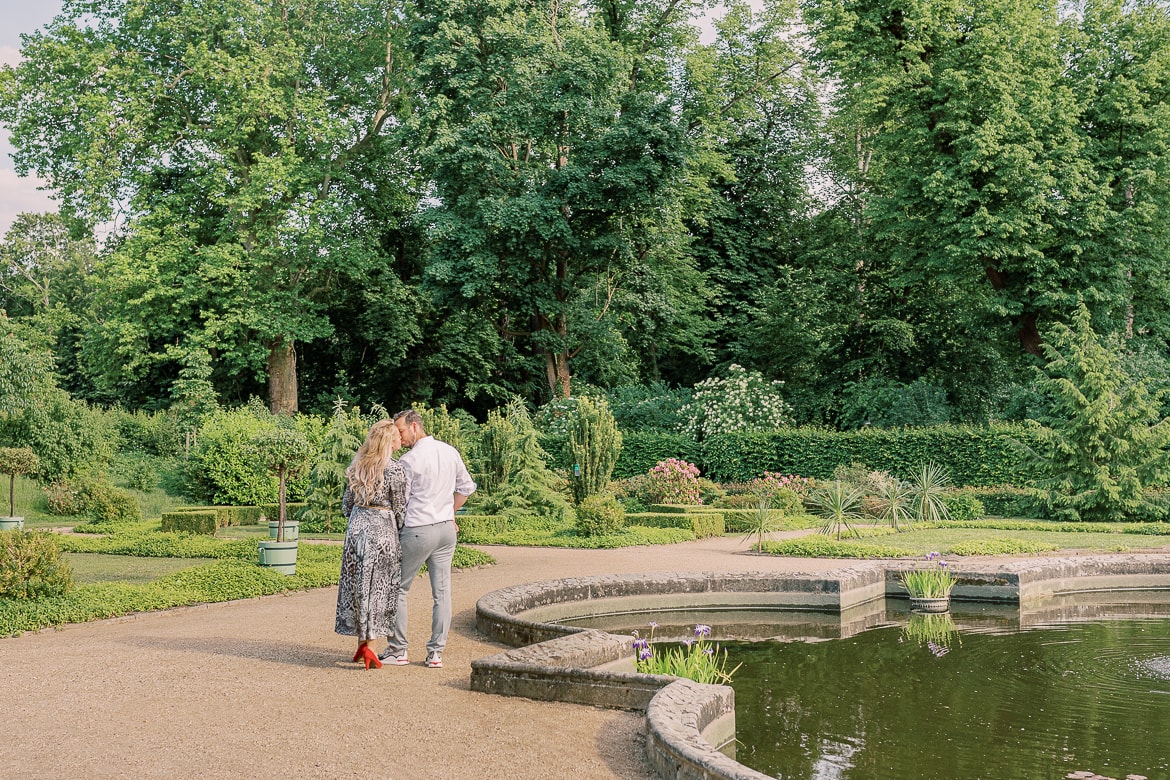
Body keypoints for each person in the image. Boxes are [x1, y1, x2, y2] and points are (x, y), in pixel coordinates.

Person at [380, 409, 476, 669]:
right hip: (446, 530)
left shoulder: (409, 461)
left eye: (400, 431)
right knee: (442, 592)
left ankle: (398, 649)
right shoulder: (449, 451)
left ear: (413, 426)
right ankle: (436, 654)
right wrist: (450, 513)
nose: (399, 436)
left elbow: (401, 503)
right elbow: (467, 488)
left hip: (419, 530)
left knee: (397, 588)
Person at [334, 420, 407, 670]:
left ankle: (361, 642)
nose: (400, 439)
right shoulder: (394, 469)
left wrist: (358, 517)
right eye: (397, 436)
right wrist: (398, 528)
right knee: (378, 589)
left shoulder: (357, 466)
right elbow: (400, 508)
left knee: (357, 586)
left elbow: (346, 505)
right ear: (389, 441)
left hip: (356, 529)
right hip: (382, 530)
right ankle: (372, 648)